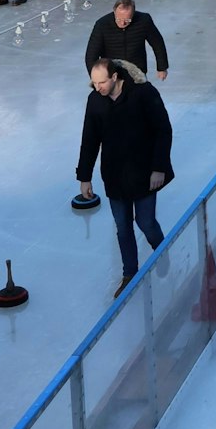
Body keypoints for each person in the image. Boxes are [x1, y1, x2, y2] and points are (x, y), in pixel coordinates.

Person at [77, 57, 174, 298]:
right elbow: (89, 139)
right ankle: (129, 274)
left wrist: (159, 168)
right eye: (94, 83)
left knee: (146, 222)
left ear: (115, 77)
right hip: (114, 175)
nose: (97, 87)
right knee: (123, 227)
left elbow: (163, 130)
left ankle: (162, 251)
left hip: (144, 173)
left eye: (101, 82)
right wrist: (84, 176)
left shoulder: (143, 93)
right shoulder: (95, 100)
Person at [83, 0, 170, 81]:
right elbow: (91, 54)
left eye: (127, 20)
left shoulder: (144, 21)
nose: (122, 23)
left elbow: (157, 43)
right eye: (118, 19)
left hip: (137, 72)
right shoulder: (102, 25)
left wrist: (162, 67)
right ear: (114, 11)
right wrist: (96, 79)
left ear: (133, 14)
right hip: (112, 74)